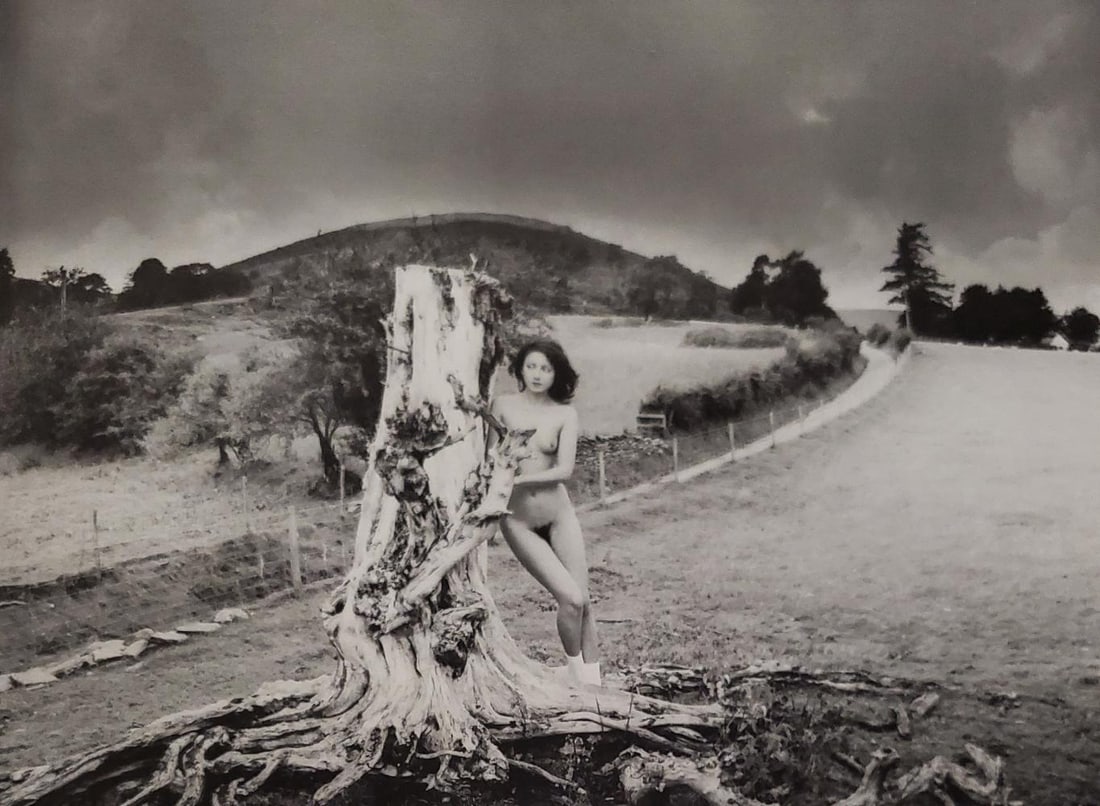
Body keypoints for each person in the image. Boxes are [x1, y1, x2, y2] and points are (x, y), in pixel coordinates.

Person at [489, 339, 601, 686]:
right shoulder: (502, 406)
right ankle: (576, 678)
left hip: (559, 515)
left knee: (584, 602)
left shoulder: (565, 414)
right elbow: (490, 460)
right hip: (519, 521)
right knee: (570, 598)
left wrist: (519, 478)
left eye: (546, 369)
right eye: (532, 366)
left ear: (557, 374)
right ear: (520, 369)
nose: (538, 375)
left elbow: (564, 470)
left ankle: (595, 684)